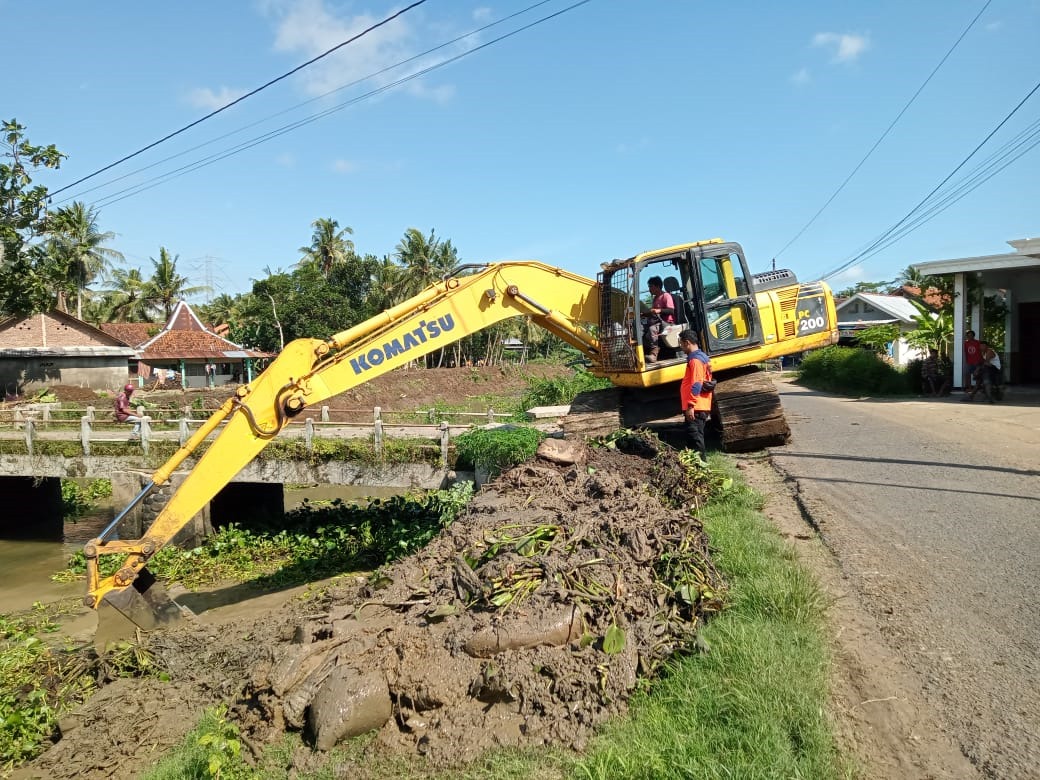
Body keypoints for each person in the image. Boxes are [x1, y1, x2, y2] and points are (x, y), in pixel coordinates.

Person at [679, 329, 714, 460]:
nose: (681, 347)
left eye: (681, 344)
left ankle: (701, 467)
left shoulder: (695, 361)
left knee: (695, 439)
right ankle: (696, 466)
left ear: (687, 343)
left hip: (696, 407)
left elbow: (697, 384)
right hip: (699, 405)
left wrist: (690, 405)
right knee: (693, 438)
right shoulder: (702, 357)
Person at [642, 276, 676, 363]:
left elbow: (671, 310)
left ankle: (654, 354)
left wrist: (658, 310)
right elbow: (654, 312)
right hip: (657, 322)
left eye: (650, 286)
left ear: (657, 286)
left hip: (666, 323)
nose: (649, 289)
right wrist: (644, 314)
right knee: (641, 329)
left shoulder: (666, 296)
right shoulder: (655, 298)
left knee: (652, 329)